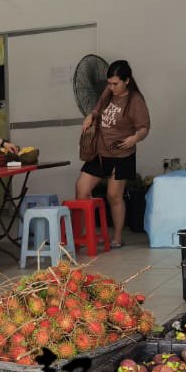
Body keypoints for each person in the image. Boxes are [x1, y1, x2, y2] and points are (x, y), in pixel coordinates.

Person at [76, 60, 150, 247]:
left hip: (122, 155)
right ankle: (85, 233)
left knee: (113, 195)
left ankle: (117, 237)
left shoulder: (135, 100)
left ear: (126, 80)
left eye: (115, 83)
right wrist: (90, 116)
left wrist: (134, 139)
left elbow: (144, 128)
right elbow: (97, 109)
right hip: (99, 152)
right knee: (82, 188)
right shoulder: (108, 93)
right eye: (109, 83)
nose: (111, 87)